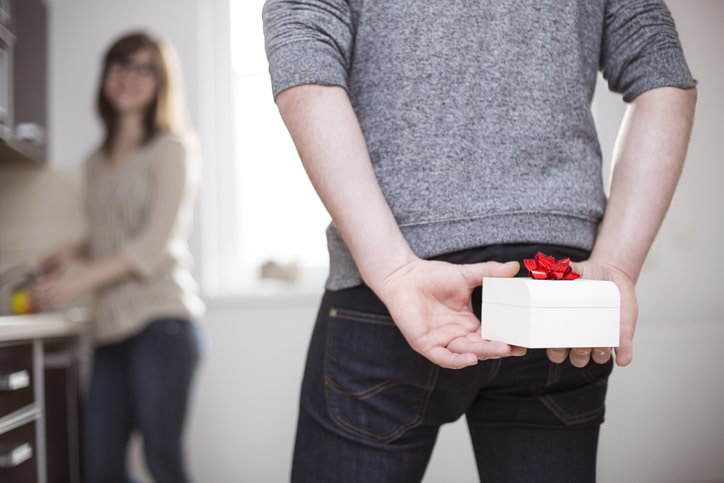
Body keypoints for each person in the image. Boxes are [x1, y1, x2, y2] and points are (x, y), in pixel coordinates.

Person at [262, 1, 697, 482]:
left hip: (398, 280)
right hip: (558, 283)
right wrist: (616, 264)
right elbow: (666, 80)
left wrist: (393, 268)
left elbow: (305, 65)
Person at [31, 31, 204, 483]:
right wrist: (71, 252)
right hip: (109, 329)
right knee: (100, 466)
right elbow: (114, 231)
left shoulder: (172, 148)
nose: (129, 77)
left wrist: (74, 282)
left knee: (162, 460)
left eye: (144, 68)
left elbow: (154, 242)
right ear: (106, 74)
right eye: (120, 65)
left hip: (161, 323)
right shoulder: (95, 161)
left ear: (161, 81)